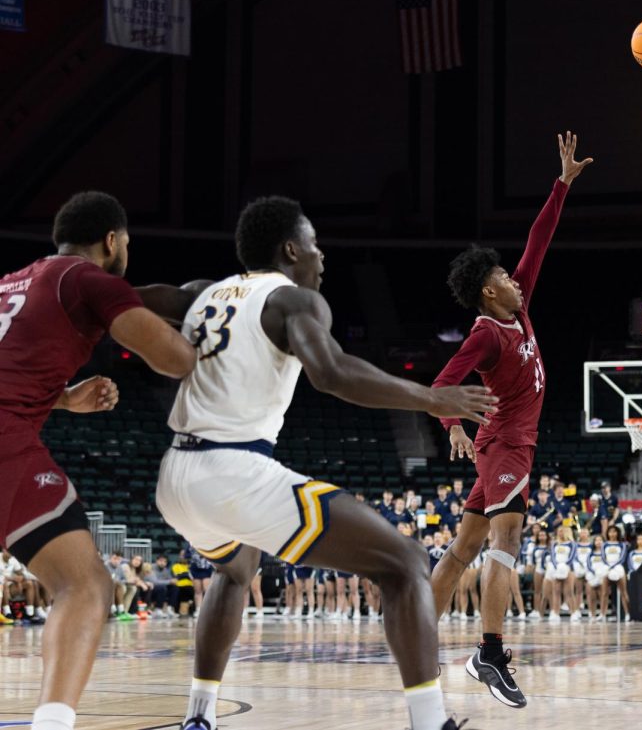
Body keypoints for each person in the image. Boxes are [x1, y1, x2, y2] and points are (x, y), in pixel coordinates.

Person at [139, 196, 497, 730]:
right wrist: (431, 398)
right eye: (314, 244)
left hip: (175, 478)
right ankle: (431, 724)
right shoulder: (293, 301)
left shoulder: (200, 294)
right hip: (232, 471)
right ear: (290, 249)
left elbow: (120, 301)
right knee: (404, 563)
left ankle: (199, 716)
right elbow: (330, 373)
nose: (321, 257)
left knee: (235, 571)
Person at [0, 191, 197, 730]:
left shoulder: (12, 282)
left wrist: (60, 397)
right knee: (84, 585)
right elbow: (177, 360)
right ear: (112, 241)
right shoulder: (88, 279)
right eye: (126, 242)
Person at [428, 132, 592, 709]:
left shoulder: (517, 313)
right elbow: (442, 384)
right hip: (506, 445)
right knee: (506, 540)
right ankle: (489, 653)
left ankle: (418, 638)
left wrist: (562, 184)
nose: (518, 278)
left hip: (506, 442)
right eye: (506, 276)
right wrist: (451, 424)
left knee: (462, 547)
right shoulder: (486, 331)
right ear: (487, 290)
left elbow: (538, 242)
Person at [103, 552, 134, 622]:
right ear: (110, 558)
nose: (116, 561)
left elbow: (124, 579)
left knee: (122, 585)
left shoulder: (120, 567)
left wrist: (120, 581)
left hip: (117, 585)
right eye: (115, 558)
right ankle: (114, 608)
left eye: (119, 559)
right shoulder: (105, 566)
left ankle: (122, 610)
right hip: (105, 586)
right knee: (114, 583)